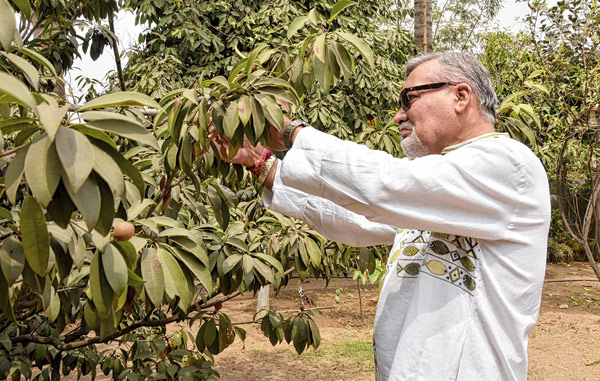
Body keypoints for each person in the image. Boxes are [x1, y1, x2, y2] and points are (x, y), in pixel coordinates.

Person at [215, 51, 551, 380]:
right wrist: (259, 162)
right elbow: (355, 217)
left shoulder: (508, 164)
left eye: (409, 99)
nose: (398, 116)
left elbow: (384, 185)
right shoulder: (437, 187)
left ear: (460, 95)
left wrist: (292, 133)